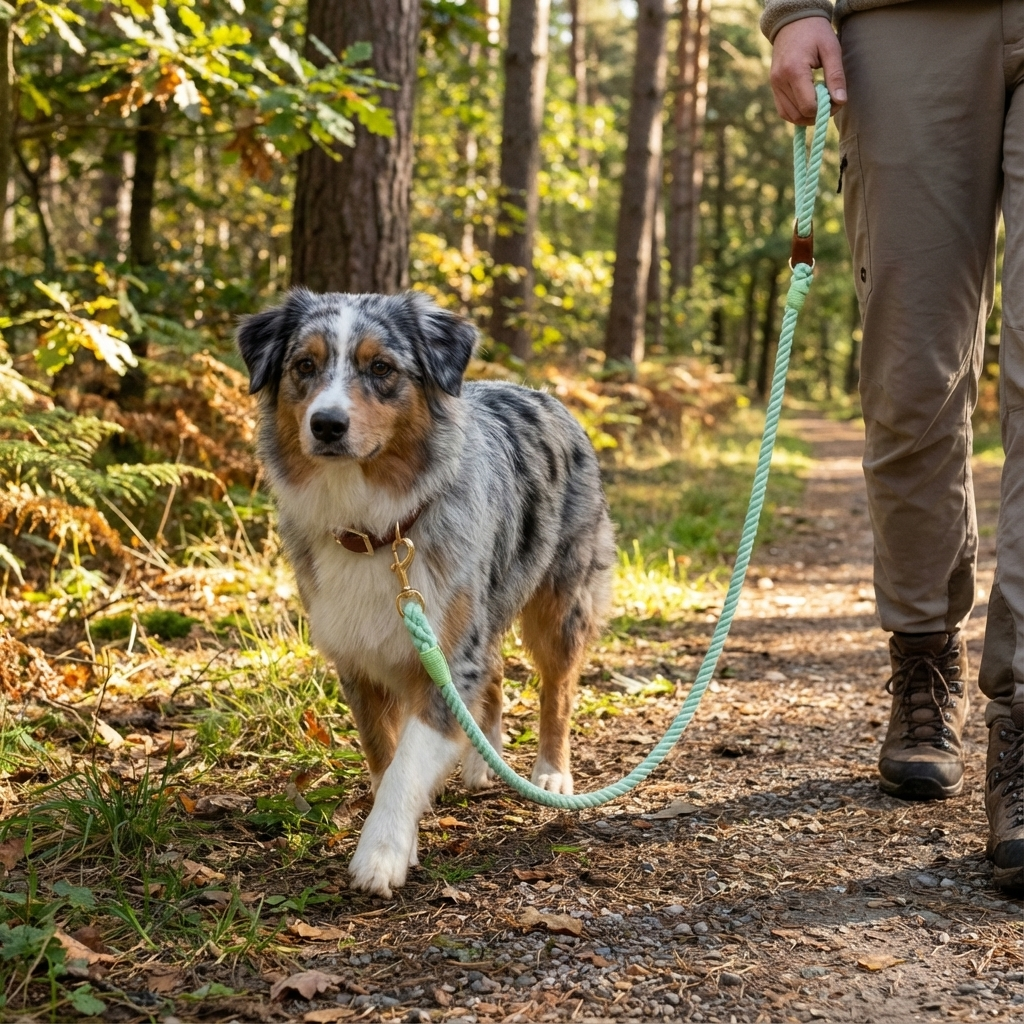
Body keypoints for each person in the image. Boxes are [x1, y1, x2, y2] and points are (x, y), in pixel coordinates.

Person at [761, 0, 1022, 893]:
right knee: (914, 380)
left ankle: (1023, 711)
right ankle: (923, 652)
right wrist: (795, 9)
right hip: (903, 26)